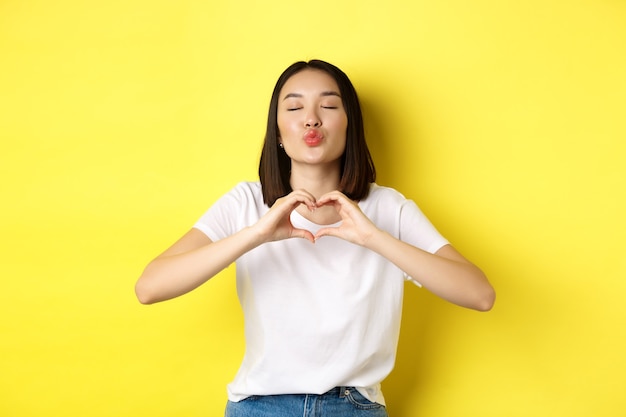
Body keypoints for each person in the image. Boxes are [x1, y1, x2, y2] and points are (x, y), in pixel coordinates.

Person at [135, 59, 495, 417]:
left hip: (354, 407)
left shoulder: (387, 207)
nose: (311, 119)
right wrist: (256, 235)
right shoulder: (245, 202)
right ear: (277, 132)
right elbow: (149, 287)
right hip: (260, 407)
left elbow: (479, 294)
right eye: (294, 107)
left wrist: (373, 237)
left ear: (349, 125)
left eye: (328, 106)